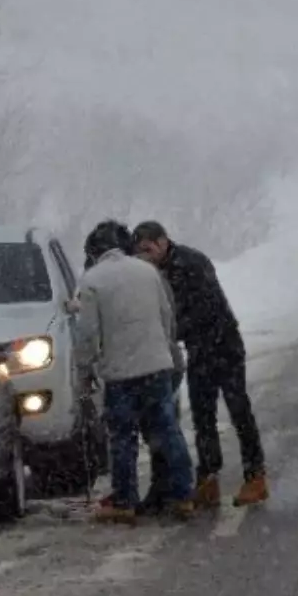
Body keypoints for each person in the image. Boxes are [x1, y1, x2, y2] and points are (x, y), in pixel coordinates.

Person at [132, 220, 268, 508]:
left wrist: (171, 331)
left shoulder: (190, 263)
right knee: (202, 414)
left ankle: (255, 476)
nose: (146, 256)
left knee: (238, 409)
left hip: (223, 344)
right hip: (198, 348)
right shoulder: (156, 272)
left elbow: (205, 307)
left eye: (148, 249)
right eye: (140, 252)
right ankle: (208, 479)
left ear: (163, 241)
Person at [75, 220, 196, 523]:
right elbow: (166, 315)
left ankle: (125, 500)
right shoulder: (148, 272)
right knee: (167, 430)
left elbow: (88, 333)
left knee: (123, 438)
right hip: (156, 366)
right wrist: (167, 352)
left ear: (94, 252)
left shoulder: (92, 281)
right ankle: (183, 495)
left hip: (120, 373)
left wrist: (85, 368)